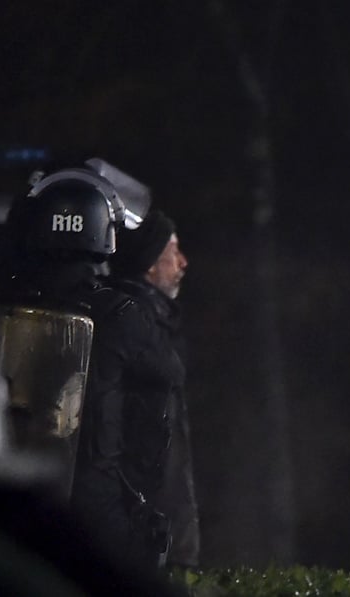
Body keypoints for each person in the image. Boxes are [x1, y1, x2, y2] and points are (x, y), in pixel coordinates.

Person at [0, 162, 179, 574]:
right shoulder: (119, 313)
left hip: (18, 506)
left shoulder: (3, 302)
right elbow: (168, 376)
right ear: (102, 234)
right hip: (98, 517)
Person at [108, 209, 199, 572]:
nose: (183, 262)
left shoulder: (153, 327)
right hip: (149, 542)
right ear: (148, 265)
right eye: (172, 252)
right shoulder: (141, 332)